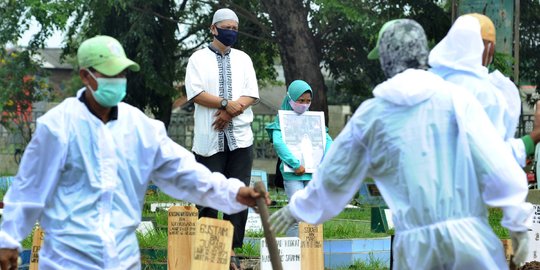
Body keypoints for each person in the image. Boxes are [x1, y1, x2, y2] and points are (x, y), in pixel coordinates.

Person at [270, 19, 532, 269]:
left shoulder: (372, 116)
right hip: (471, 242)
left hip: (417, 250)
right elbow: (496, 162)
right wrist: (517, 220)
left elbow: (334, 177)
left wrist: (298, 207)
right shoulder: (457, 100)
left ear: (386, 61)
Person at [0, 35, 269, 270]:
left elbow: (183, 173)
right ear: (86, 76)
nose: (118, 81)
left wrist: (234, 193)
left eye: (122, 74)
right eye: (110, 74)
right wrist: (8, 240)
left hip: (122, 258)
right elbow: (29, 189)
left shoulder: (139, 127)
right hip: (69, 259)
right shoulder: (58, 127)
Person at [184, 8, 259, 269]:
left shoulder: (244, 59)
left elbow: (251, 94)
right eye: (226, 27)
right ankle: (208, 250)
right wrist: (227, 104)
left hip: (240, 139)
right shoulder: (197, 59)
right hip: (209, 140)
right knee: (209, 194)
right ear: (213, 28)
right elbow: (195, 93)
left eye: (235, 28)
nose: (231, 32)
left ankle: (230, 252)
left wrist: (230, 112)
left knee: (238, 194)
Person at [429, 13, 540, 167]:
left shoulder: (428, 83)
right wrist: (533, 137)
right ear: (490, 48)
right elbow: (493, 161)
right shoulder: (485, 94)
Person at [265, 80, 333, 237]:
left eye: (308, 101)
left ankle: (311, 250)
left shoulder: (313, 121)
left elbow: (327, 140)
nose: (304, 104)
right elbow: (278, 142)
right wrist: (295, 164)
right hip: (293, 173)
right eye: (300, 100)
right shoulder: (281, 121)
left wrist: (323, 163)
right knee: (297, 211)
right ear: (290, 99)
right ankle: (294, 249)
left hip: (313, 173)